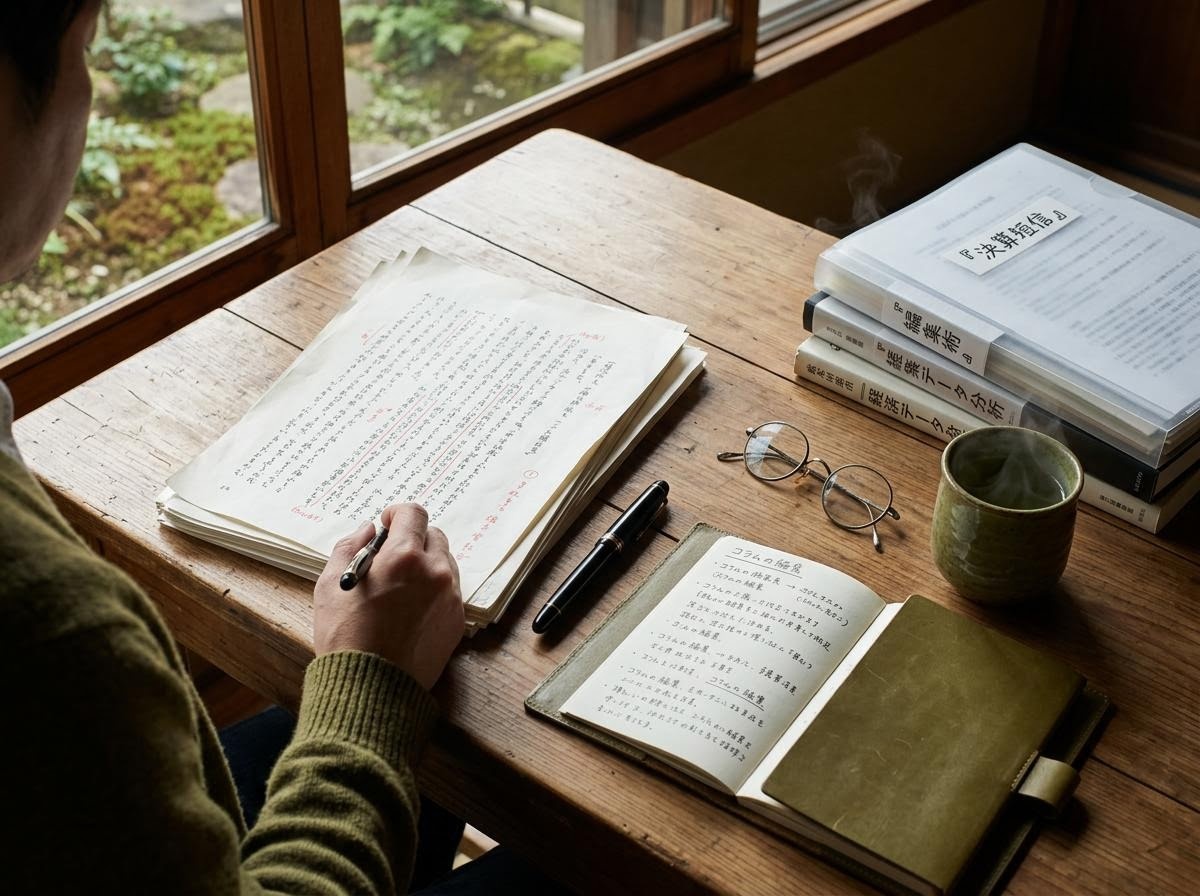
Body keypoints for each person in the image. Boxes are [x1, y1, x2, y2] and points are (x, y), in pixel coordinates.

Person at [0, 4, 567, 893]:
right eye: (84, 48)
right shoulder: (54, 641)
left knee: (438, 738)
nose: (91, 89)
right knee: (580, 863)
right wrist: (368, 678)